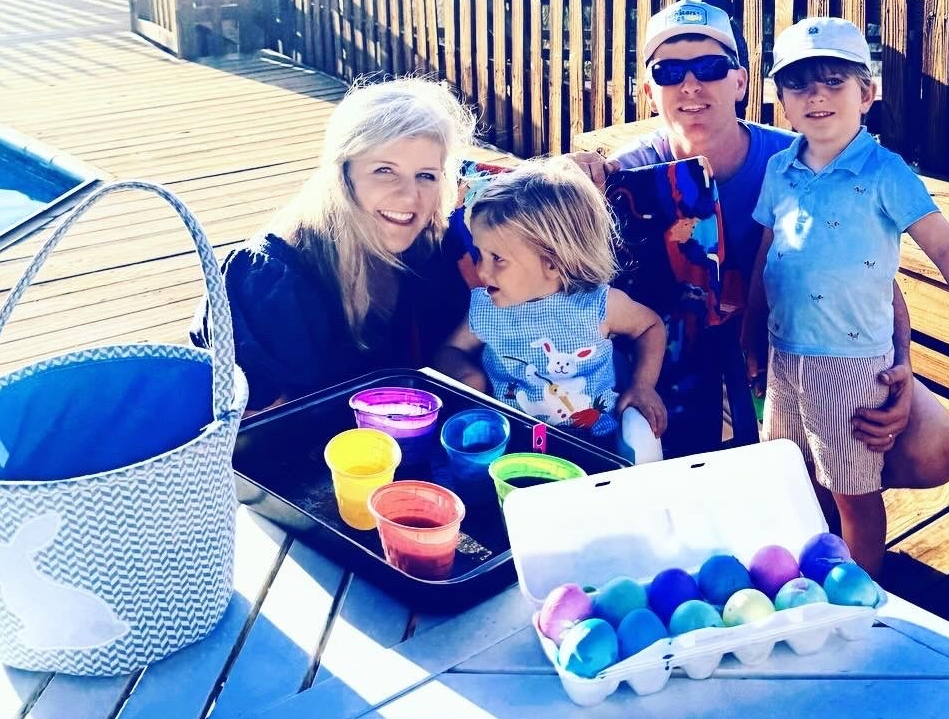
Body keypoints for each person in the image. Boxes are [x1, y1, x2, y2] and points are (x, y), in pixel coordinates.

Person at [574, 0, 949, 488]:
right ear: (649, 90)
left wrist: (899, 366)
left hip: (798, 351)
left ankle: (838, 495)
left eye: (710, 66)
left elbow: (873, 273)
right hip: (674, 361)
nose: (690, 84)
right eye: (669, 71)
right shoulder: (627, 176)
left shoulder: (797, 162)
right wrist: (571, 172)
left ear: (740, 81)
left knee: (933, 448)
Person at [748, 17, 949, 576]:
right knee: (795, 476)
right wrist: (750, 334)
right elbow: (767, 253)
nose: (816, 96)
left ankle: (861, 595)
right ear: (781, 101)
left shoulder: (886, 173)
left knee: (853, 493)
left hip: (851, 364)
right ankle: (808, 578)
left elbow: (948, 250)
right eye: (799, 85)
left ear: (867, 94)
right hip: (785, 358)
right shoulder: (780, 169)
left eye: (834, 82)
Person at [192, 77, 476, 413]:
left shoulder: (428, 248)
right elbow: (255, 429)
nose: (409, 196)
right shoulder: (267, 282)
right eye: (384, 170)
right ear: (342, 176)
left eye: (426, 175)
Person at [434, 158, 668, 462]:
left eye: (497, 258)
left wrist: (642, 385)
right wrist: (468, 376)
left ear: (553, 263)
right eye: (480, 253)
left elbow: (650, 327)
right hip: (511, 447)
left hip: (595, 447)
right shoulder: (487, 306)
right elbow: (450, 349)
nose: (481, 270)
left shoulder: (597, 305)